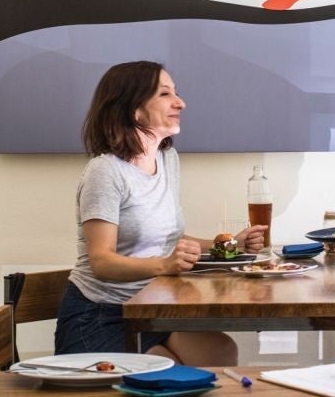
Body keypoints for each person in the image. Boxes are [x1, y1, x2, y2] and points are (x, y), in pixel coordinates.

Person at [55, 60, 267, 364]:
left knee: (221, 352)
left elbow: (169, 240)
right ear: (133, 108)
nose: (180, 103)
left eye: (175, 93)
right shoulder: (105, 172)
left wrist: (230, 245)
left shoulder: (168, 159)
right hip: (100, 315)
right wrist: (164, 266)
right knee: (165, 369)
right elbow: (102, 262)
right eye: (165, 94)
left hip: (152, 308)